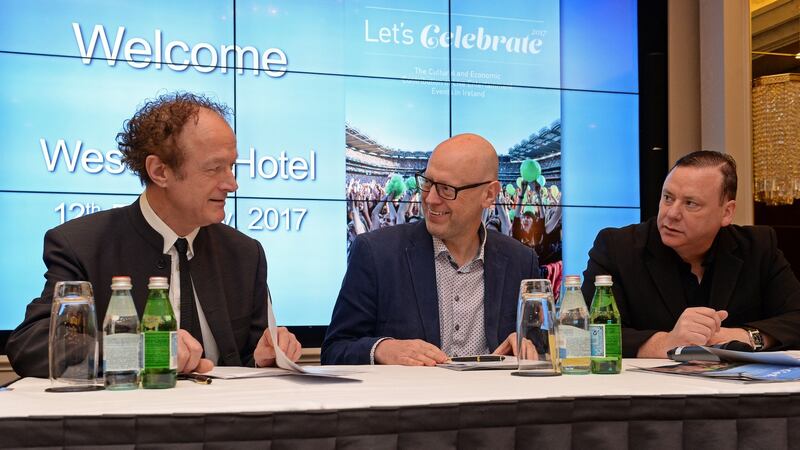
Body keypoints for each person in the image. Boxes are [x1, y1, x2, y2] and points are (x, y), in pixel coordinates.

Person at [7, 92, 302, 378]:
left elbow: (245, 360)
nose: (232, 184)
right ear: (160, 171)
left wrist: (264, 357)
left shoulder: (244, 254)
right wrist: (140, 352)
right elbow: (32, 343)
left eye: (232, 166)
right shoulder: (82, 246)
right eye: (214, 168)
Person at [322, 133, 539, 365]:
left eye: (447, 189)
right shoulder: (376, 253)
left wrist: (529, 346)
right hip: (410, 390)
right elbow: (334, 351)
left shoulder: (521, 261)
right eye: (427, 182)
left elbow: (544, 351)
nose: (431, 199)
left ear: (488, 194)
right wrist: (381, 349)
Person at [582, 150, 800, 358]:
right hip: (649, 383)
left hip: (738, 382)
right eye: (668, 198)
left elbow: (795, 317)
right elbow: (587, 331)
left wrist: (744, 337)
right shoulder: (617, 248)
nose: (672, 213)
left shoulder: (758, 247)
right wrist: (666, 342)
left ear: (727, 212)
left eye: (690, 203)